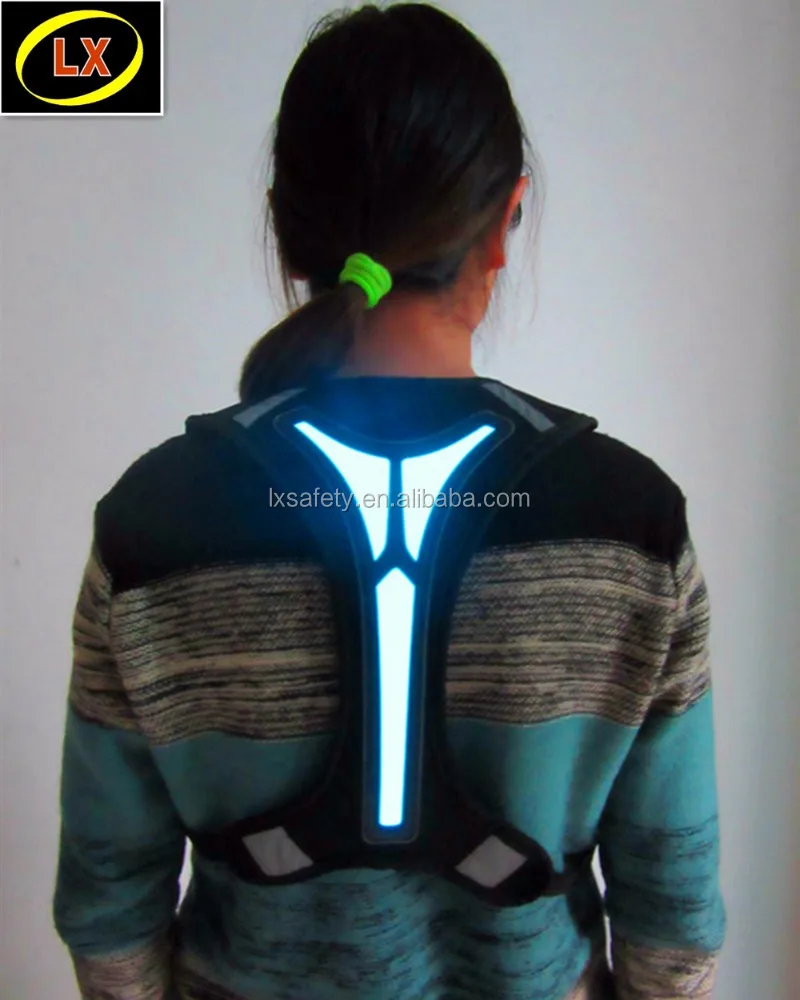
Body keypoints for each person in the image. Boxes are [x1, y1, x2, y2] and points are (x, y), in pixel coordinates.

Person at [52, 4, 726, 999]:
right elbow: (673, 915)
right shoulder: (633, 526)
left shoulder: (152, 524)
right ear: (505, 223)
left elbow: (111, 906)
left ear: (289, 231)